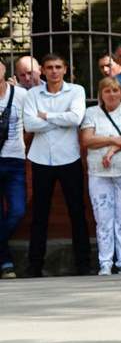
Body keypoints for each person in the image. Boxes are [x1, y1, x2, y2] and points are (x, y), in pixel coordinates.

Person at [22, 55, 91, 278]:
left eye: (58, 67)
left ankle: (83, 264)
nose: (54, 71)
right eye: (50, 67)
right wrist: (60, 119)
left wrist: (46, 117)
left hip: (69, 158)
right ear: (42, 70)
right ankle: (34, 266)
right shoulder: (33, 94)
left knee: (77, 213)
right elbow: (30, 124)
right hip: (41, 160)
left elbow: (76, 118)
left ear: (65, 69)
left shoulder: (76, 91)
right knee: (39, 215)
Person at [75, 73, 121, 275]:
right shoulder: (91, 112)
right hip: (98, 172)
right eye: (107, 91)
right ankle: (105, 262)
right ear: (100, 94)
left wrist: (111, 148)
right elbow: (87, 140)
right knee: (103, 218)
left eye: (116, 90)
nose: (112, 94)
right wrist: (115, 139)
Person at [0, 56, 32, 277]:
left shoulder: (20, 94)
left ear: (3, 68)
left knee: (18, 210)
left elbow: (30, 125)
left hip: (14, 159)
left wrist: (20, 142)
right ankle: (5, 264)